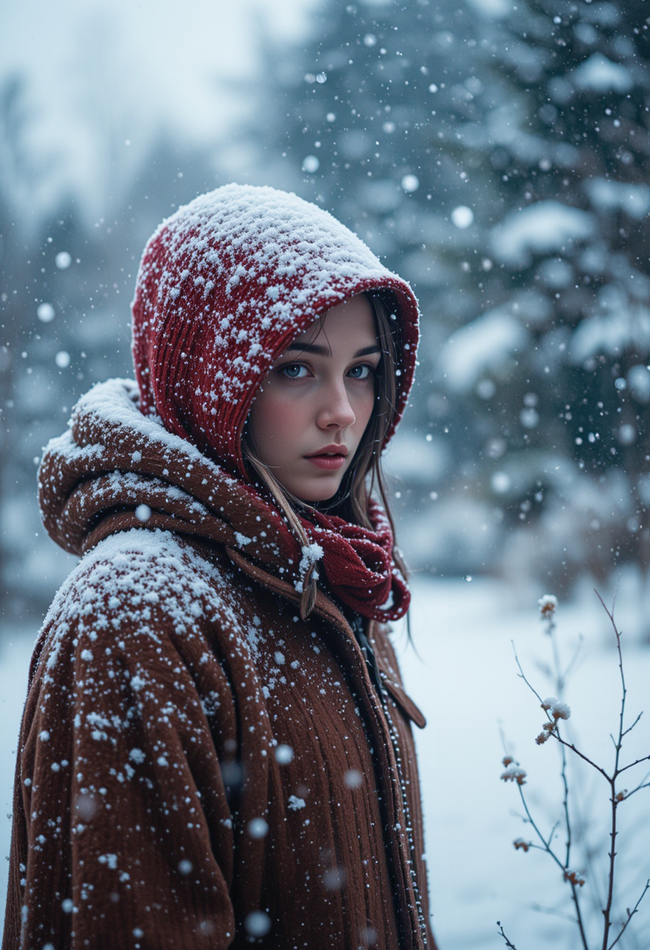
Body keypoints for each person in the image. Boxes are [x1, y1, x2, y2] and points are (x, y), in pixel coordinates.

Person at [3, 184, 436, 950]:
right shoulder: (138, 612)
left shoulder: (331, 575)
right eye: (296, 369)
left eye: (363, 370)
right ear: (209, 374)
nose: (342, 409)